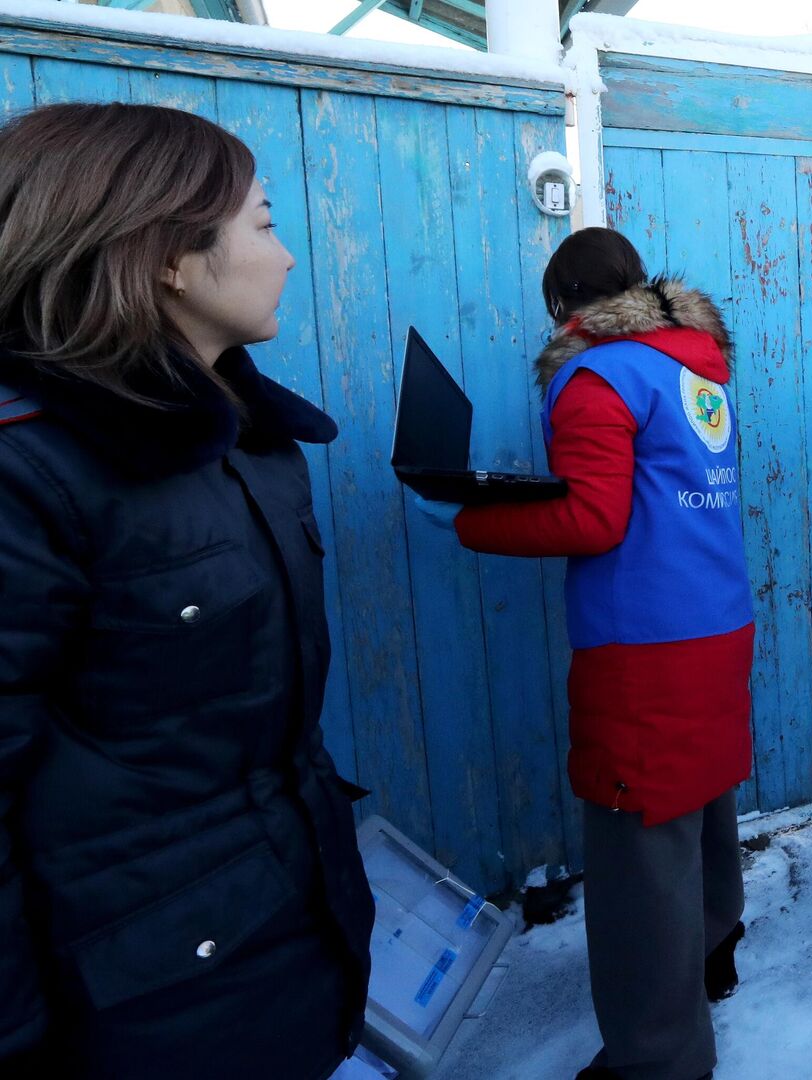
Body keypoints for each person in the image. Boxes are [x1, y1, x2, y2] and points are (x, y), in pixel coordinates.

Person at [0, 104, 374, 1079]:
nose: (287, 257)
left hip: (281, 954)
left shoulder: (252, 443)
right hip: (140, 1013)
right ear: (169, 254)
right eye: (264, 223)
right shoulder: (28, 473)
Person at [429, 227, 752, 1080]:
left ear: (564, 307)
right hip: (718, 620)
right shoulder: (694, 366)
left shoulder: (593, 374)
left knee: (639, 854)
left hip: (643, 646)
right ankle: (714, 950)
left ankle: (659, 1055)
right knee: (700, 802)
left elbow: (596, 519)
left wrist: (470, 519)